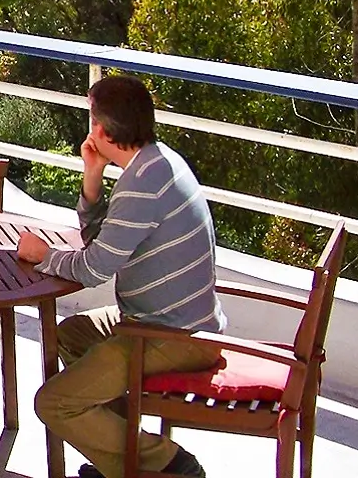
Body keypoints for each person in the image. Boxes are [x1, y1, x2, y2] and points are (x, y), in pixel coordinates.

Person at [16, 75, 220, 478]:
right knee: (71, 335)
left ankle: (169, 464)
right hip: (165, 322)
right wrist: (93, 176)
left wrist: (44, 256)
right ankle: (125, 458)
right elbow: (103, 240)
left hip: (169, 335)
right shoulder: (157, 162)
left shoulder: (143, 185)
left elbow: (93, 269)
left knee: (55, 403)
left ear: (103, 130)